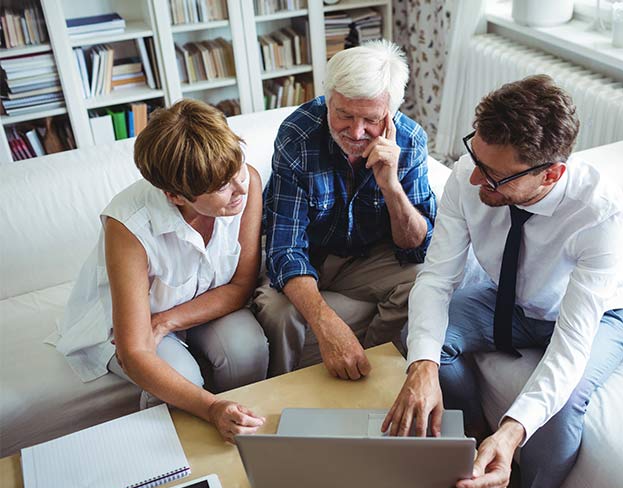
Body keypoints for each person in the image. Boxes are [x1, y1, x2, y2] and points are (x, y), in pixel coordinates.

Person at [383, 75, 623, 488]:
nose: (473, 180)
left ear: (551, 174)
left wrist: (513, 430)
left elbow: (572, 343)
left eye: (495, 177)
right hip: (510, 302)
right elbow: (437, 277)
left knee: (556, 415)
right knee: (419, 342)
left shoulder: (601, 213)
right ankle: (470, 436)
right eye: (476, 158)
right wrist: (423, 367)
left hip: (594, 315)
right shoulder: (470, 174)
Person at [50, 99, 269, 442]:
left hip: (197, 305)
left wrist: (167, 321)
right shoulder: (128, 226)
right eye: (222, 187)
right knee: (182, 377)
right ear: (175, 196)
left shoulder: (246, 182)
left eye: (238, 169)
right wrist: (212, 408)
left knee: (248, 348)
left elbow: (241, 285)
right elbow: (134, 351)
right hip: (123, 326)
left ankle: (249, 439)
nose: (241, 188)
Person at [254, 40, 437, 380]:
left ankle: (371, 373)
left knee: (423, 279)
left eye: (371, 119)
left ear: (391, 113)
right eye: (344, 114)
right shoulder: (298, 135)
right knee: (278, 312)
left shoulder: (410, 140)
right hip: (310, 255)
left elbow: (417, 246)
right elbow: (286, 248)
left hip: (368, 259)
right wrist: (327, 324)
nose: (356, 132)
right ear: (328, 100)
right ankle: (282, 389)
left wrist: (392, 187)